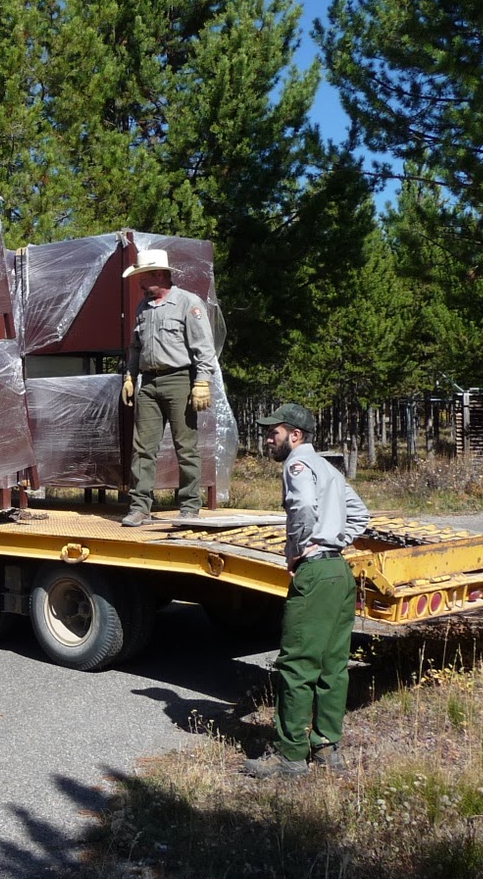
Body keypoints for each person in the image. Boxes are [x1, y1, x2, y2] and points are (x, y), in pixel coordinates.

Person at [243, 403, 370, 778]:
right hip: (339, 571)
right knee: (334, 665)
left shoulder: (296, 465)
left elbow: (301, 508)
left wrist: (301, 551)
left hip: (315, 572)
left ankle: (290, 756)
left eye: (274, 432)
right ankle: (327, 746)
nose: (268, 439)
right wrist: (335, 541)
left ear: (295, 436)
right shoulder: (329, 469)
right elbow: (361, 514)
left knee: (297, 665)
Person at [119, 248, 219, 525]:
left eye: (143, 277)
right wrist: (130, 377)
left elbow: (203, 348)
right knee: (142, 448)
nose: (139, 283)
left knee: (185, 446)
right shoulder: (143, 308)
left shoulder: (188, 303)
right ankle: (140, 507)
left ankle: (189, 506)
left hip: (180, 380)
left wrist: (202, 382)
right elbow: (136, 347)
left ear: (159, 275)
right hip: (149, 383)